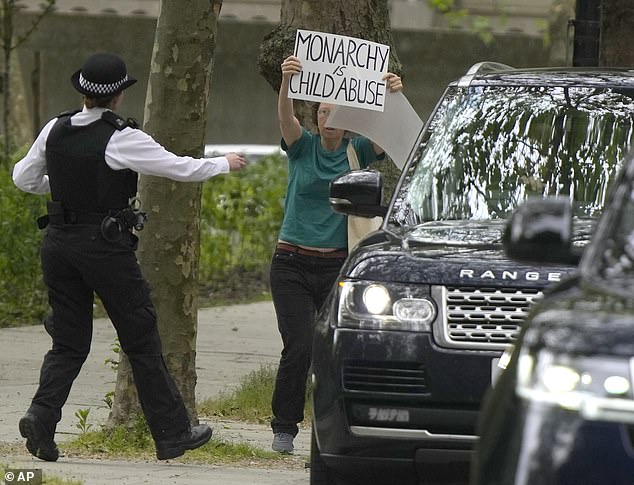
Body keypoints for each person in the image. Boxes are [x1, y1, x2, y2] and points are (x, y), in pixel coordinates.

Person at [12, 52, 246, 462]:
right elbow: (177, 168)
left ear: (82, 91)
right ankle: (173, 434)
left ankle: (41, 419)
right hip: (104, 248)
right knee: (140, 338)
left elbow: (24, 178)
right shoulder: (121, 137)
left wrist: (66, 185)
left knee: (69, 342)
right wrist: (222, 164)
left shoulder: (55, 128)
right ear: (119, 95)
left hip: (59, 244)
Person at [269, 55, 402, 453]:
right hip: (291, 262)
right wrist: (285, 82)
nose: (330, 117)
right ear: (316, 116)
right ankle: (284, 426)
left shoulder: (357, 149)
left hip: (335, 265)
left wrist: (393, 95)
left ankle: (336, 426)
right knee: (299, 345)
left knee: (338, 347)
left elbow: (388, 136)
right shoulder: (303, 147)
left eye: (338, 111)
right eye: (324, 111)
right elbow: (285, 120)